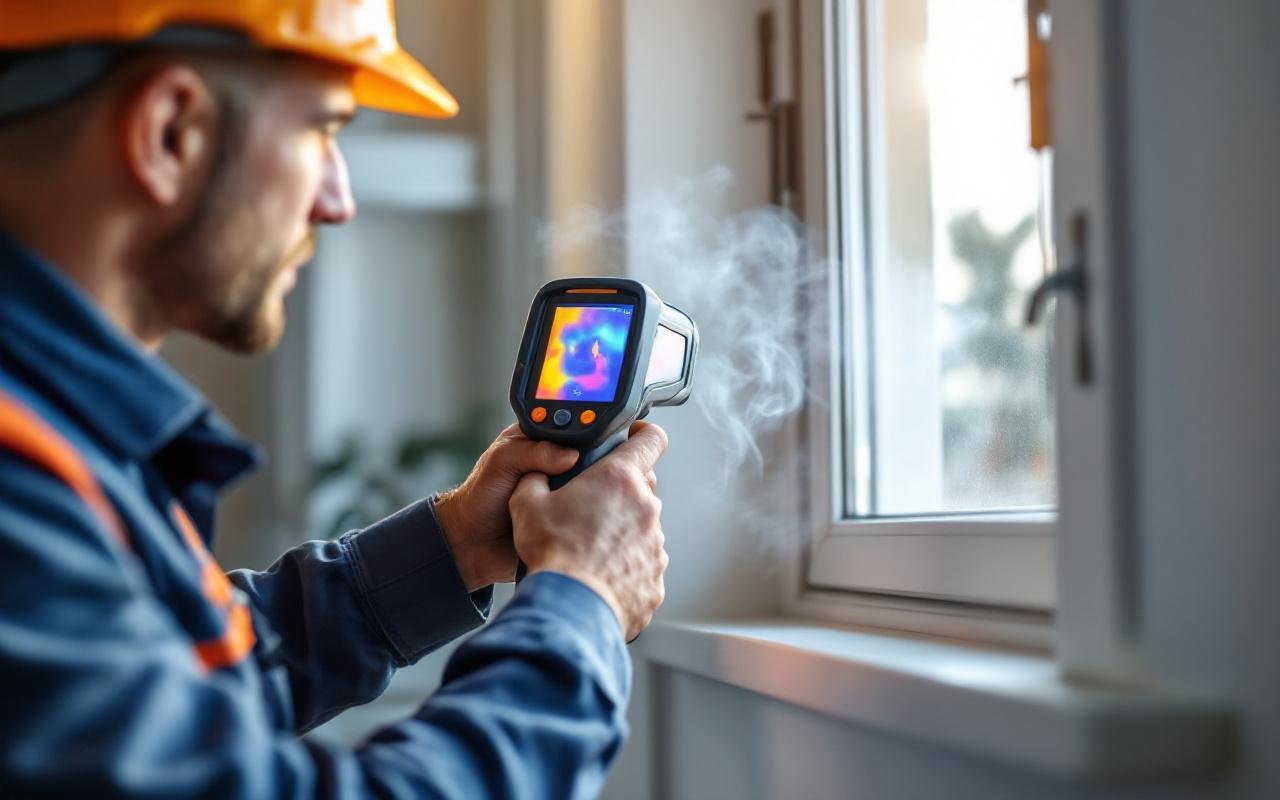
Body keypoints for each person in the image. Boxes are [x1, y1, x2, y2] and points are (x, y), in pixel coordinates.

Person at [0, 1, 669, 797]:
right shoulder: (18, 482)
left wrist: (453, 548)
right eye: (323, 131)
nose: (337, 200)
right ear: (172, 132)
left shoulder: (57, 436)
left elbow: (165, 684)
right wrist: (581, 607)